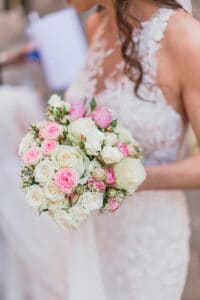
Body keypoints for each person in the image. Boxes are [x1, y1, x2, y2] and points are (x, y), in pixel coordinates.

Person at [64, 0, 200, 299]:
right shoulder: (95, 27)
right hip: (92, 237)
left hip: (147, 244)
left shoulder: (186, 40)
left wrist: (124, 177)